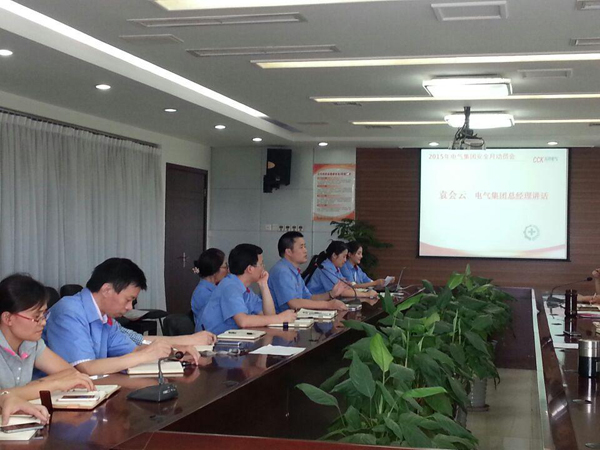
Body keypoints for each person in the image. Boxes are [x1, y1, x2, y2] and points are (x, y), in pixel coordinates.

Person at [44, 258, 199, 376]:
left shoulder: (105, 318)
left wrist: (173, 352)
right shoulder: (69, 312)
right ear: (107, 290)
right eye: (128, 300)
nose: (130, 307)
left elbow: (133, 350)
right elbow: (86, 368)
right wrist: (146, 354)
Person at [0, 274, 95, 403]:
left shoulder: (31, 343)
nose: (43, 322)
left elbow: (70, 373)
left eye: (43, 315)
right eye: (36, 317)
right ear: (7, 318)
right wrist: (52, 384)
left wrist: (32, 387)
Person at [201, 244, 296, 334]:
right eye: (261, 264)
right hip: (215, 341)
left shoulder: (245, 289)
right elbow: (243, 321)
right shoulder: (230, 287)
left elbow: (269, 315)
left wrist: (264, 285)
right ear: (250, 269)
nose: (263, 268)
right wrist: (279, 318)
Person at [268, 232, 348, 313]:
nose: (305, 250)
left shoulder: (294, 271)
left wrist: (331, 294)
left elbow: (309, 298)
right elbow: (294, 303)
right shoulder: (282, 271)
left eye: (305, 246)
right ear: (289, 252)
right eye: (301, 247)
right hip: (282, 319)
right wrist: (328, 305)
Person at [305, 241, 379, 299]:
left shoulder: (335, 267)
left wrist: (347, 285)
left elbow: (346, 286)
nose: (345, 260)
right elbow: (341, 292)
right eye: (344, 257)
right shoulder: (325, 268)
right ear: (334, 255)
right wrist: (366, 295)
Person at [191, 248, 228, 331]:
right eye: (225, 267)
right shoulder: (202, 293)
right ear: (215, 270)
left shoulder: (215, 288)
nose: (228, 271)